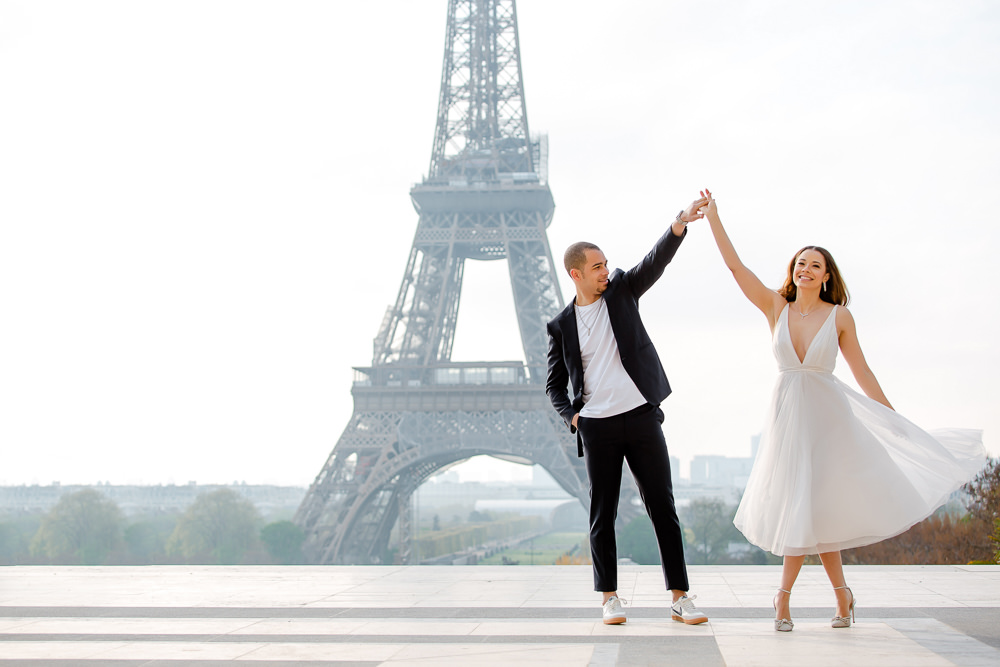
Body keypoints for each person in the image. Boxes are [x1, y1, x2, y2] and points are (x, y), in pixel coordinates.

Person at [701, 189, 986, 632]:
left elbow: (863, 372)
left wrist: (893, 418)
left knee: (812, 509)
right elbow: (736, 268)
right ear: (793, 271)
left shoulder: (839, 317)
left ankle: (783, 600)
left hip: (828, 422)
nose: (805, 268)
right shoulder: (775, 307)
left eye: (815, 265)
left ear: (827, 275)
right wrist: (714, 218)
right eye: (800, 263)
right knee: (810, 511)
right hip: (787, 421)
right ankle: (840, 597)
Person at [545, 194, 710, 626]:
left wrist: (679, 222)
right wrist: (574, 417)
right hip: (597, 426)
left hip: (640, 417)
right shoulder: (560, 326)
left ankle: (680, 597)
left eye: (606, 264)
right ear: (576, 274)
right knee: (603, 515)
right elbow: (553, 385)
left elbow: (654, 263)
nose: (606, 271)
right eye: (597, 267)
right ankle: (609, 598)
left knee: (663, 508)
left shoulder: (621, 291)